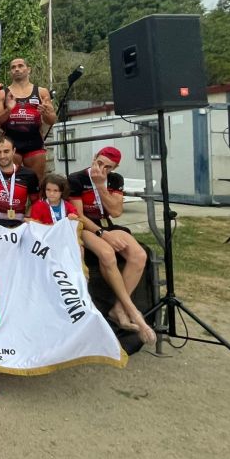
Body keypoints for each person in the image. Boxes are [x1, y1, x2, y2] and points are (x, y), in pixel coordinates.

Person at [69, 147, 155, 345]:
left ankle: (118, 308)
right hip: (87, 227)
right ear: (94, 159)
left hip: (107, 224)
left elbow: (116, 212)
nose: (102, 169)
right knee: (107, 254)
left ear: (115, 167)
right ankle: (132, 310)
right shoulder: (76, 179)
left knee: (139, 255)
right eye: (99, 163)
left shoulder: (114, 180)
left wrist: (101, 187)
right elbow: (79, 215)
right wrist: (103, 234)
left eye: (108, 167)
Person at [0, 57, 57, 183]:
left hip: (34, 143)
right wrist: (8, 110)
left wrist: (46, 113)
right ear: (10, 72)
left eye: (20, 66)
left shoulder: (41, 92)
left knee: (38, 184)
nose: (17, 69)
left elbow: (52, 120)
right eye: (13, 67)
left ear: (28, 69)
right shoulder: (2, 94)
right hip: (11, 143)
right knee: (12, 184)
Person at [0, 135, 39, 228]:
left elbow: (36, 201)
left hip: (17, 225)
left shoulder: (29, 174)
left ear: (14, 151)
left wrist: (27, 217)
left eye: (6, 151)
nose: (2, 156)